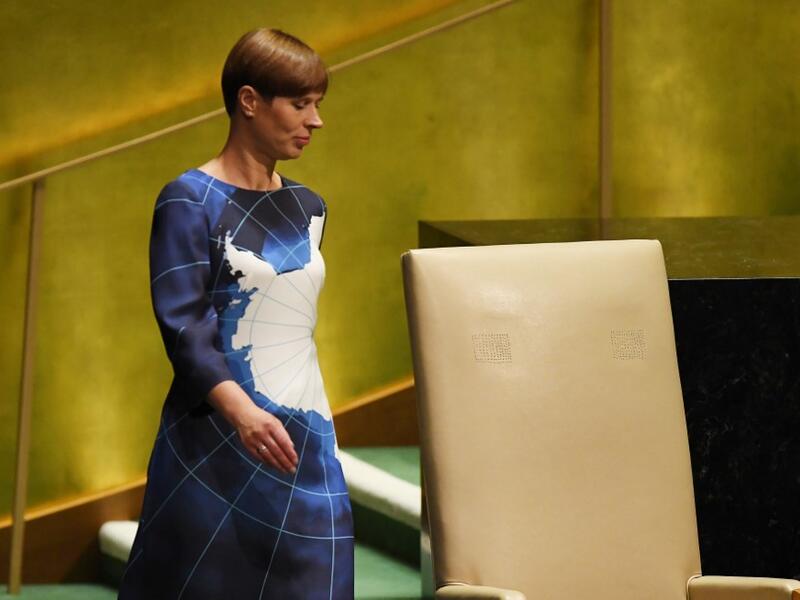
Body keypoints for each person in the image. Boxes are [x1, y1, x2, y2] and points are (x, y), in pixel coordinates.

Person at [118, 28, 354, 599]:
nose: (315, 120)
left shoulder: (310, 205)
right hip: (217, 436)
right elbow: (184, 326)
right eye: (300, 104)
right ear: (249, 101)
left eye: (316, 104)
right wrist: (242, 414)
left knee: (321, 576)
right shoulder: (188, 198)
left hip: (304, 433)